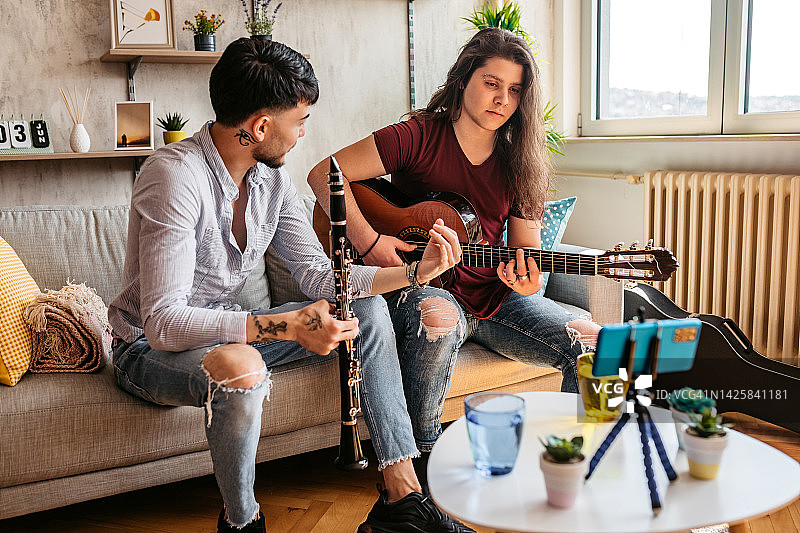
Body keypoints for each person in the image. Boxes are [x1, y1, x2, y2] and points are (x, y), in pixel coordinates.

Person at [108, 37, 475, 533]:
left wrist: (416, 273)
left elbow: (325, 278)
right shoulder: (173, 177)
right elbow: (165, 324)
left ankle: (401, 497)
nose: (304, 133)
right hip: (148, 350)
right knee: (242, 365)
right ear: (260, 126)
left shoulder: (271, 181)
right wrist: (287, 325)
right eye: (300, 120)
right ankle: (242, 523)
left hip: (227, 330)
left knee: (362, 310)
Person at [307, 28, 601, 484]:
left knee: (591, 342)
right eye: (491, 82)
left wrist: (528, 278)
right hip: (423, 287)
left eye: (515, 90)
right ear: (464, 80)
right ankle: (422, 469)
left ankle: (570, 464)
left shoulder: (522, 161)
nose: (502, 99)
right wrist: (371, 244)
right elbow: (324, 174)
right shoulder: (418, 135)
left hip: (496, 296)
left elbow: (526, 250)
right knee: (438, 319)